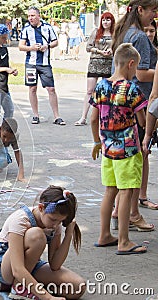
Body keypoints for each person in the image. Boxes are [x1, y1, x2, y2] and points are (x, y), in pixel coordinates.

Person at [90, 43, 148, 255]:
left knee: (109, 191)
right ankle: (124, 241)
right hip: (128, 150)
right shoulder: (132, 89)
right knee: (126, 192)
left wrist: (97, 141)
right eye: (136, 68)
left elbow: (93, 118)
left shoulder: (101, 86)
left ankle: (104, 234)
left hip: (107, 149)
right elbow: (142, 120)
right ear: (131, 64)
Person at [0, 185, 86, 299]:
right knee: (37, 236)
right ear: (41, 208)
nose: (56, 225)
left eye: (60, 221)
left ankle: (27, 286)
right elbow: (17, 269)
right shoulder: (20, 219)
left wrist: (69, 233)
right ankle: (18, 288)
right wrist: (48, 297)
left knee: (77, 287)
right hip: (6, 265)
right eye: (53, 220)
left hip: (31, 265)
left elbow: (55, 265)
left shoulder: (55, 223)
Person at [110, 0, 158, 222]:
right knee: (134, 162)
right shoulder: (138, 36)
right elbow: (141, 74)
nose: (154, 16)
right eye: (153, 11)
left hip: (118, 107)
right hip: (135, 103)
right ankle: (131, 214)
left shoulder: (125, 31)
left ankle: (120, 210)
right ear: (141, 10)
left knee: (123, 164)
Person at [19, 7, 65, 126]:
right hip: (31, 63)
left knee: (51, 89)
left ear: (39, 16)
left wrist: (47, 46)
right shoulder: (26, 29)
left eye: (33, 15)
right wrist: (31, 48)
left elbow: (55, 42)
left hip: (45, 64)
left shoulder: (47, 27)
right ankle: (35, 115)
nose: (30, 18)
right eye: (29, 16)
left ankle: (57, 116)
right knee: (32, 88)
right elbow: (21, 46)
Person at [75, 12, 115, 126]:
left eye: (108, 20)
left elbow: (118, 46)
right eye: (103, 20)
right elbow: (88, 47)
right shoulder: (96, 32)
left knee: (107, 91)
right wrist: (99, 51)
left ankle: (105, 117)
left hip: (108, 63)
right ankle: (83, 117)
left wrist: (111, 51)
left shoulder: (115, 33)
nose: (105, 22)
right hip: (95, 62)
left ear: (112, 21)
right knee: (89, 90)